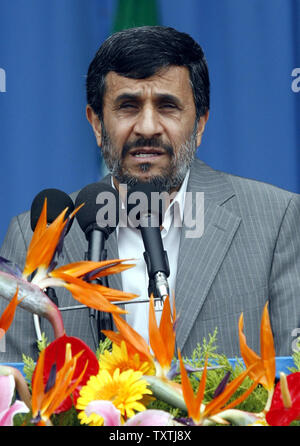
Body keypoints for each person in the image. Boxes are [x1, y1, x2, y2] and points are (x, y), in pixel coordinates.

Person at [1, 26, 300, 363]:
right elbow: (8, 392)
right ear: (97, 125)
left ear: (200, 124)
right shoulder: (32, 236)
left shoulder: (276, 221)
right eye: (128, 106)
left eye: (167, 106)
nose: (146, 127)